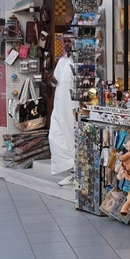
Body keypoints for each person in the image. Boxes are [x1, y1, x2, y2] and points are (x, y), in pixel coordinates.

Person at [48, 41, 77, 183]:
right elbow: (56, 82)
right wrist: (52, 81)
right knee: (55, 136)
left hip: (72, 105)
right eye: (65, 41)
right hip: (59, 104)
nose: (67, 44)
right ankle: (71, 170)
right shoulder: (61, 61)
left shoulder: (78, 61)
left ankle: (75, 172)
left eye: (70, 42)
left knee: (71, 135)